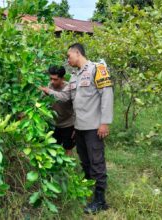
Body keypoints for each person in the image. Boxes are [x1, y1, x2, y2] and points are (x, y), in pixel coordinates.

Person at [40, 43, 114, 214]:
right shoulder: (74, 77)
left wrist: (105, 123)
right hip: (79, 127)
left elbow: (107, 95)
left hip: (94, 127)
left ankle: (100, 200)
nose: (67, 59)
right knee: (85, 161)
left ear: (77, 53)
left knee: (97, 161)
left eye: (69, 56)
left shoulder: (97, 69)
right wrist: (48, 91)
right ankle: (90, 189)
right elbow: (66, 97)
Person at [45, 65, 76, 156]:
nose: (52, 81)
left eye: (55, 79)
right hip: (55, 124)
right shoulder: (49, 86)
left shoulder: (68, 87)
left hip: (69, 124)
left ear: (62, 78)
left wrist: (48, 91)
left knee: (68, 147)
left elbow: (63, 97)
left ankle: (67, 168)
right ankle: (55, 168)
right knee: (53, 147)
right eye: (51, 78)